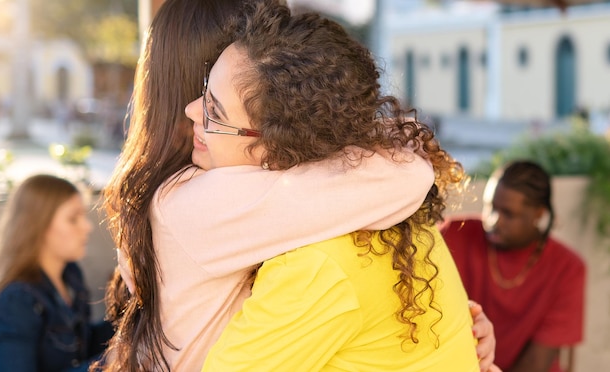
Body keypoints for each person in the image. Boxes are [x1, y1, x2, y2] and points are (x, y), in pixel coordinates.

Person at [101, 0, 497, 370]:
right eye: (206, 94)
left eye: (215, 107)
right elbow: (404, 175)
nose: (195, 112)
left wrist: (452, 335)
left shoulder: (292, 231)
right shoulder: (195, 203)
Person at [440, 160, 586, 372]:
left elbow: (537, 363)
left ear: (538, 214)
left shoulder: (568, 268)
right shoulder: (454, 234)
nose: (493, 221)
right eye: (490, 207)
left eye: (508, 214)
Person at [0, 174, 114, 372]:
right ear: (39, 226)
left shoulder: (71, 276)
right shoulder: (16, 302)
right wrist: (108, 363)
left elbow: (82, 345)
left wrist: (129, 318)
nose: (87, 227)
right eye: (73, 219)